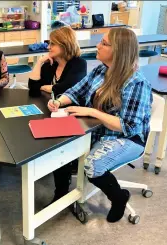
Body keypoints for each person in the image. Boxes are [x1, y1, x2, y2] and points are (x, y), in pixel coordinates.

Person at [47, 28, 152, 223]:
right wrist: (60, 101)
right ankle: (61, 195)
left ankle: (119, 197)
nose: (98, 45)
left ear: (119, 51)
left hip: (128, 138)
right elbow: (77, 91)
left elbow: (128, 126)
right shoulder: (101, 69)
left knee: (92, 165)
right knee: (60, 146)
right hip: (98, 130)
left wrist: (92, 112)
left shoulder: (136, 83)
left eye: (104, 43)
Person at [29, 26, 87, 206]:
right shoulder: (49, 64)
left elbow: (71, 87)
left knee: (58, 144)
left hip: (74, 112)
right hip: (52, 109)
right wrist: (39, 63)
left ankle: (61, 189)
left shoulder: (79, 63)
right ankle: (54, 169)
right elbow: (33, 87)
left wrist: (51, 87)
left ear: (64, 44)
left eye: (53, 43)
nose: (49, 47)